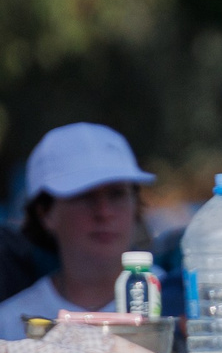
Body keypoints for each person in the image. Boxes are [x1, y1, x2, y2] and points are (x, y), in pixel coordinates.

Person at [0, 123, 156, 338]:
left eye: (117, 194)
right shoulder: (10, 324)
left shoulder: (183, 303)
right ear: (45, 213)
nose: (104, 212)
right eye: (84, 196)